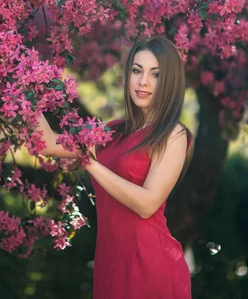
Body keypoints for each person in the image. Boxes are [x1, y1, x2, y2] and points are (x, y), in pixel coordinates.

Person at [37, 36, 194, 299]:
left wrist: (91, 164)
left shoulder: (173, 135)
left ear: (169, 82)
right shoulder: (111, 131)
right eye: (137, 70)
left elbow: (147, 204)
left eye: (155, 74)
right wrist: (20, 89)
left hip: (149, 262)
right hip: (111, 261)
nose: (143, 82)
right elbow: (46, 143)